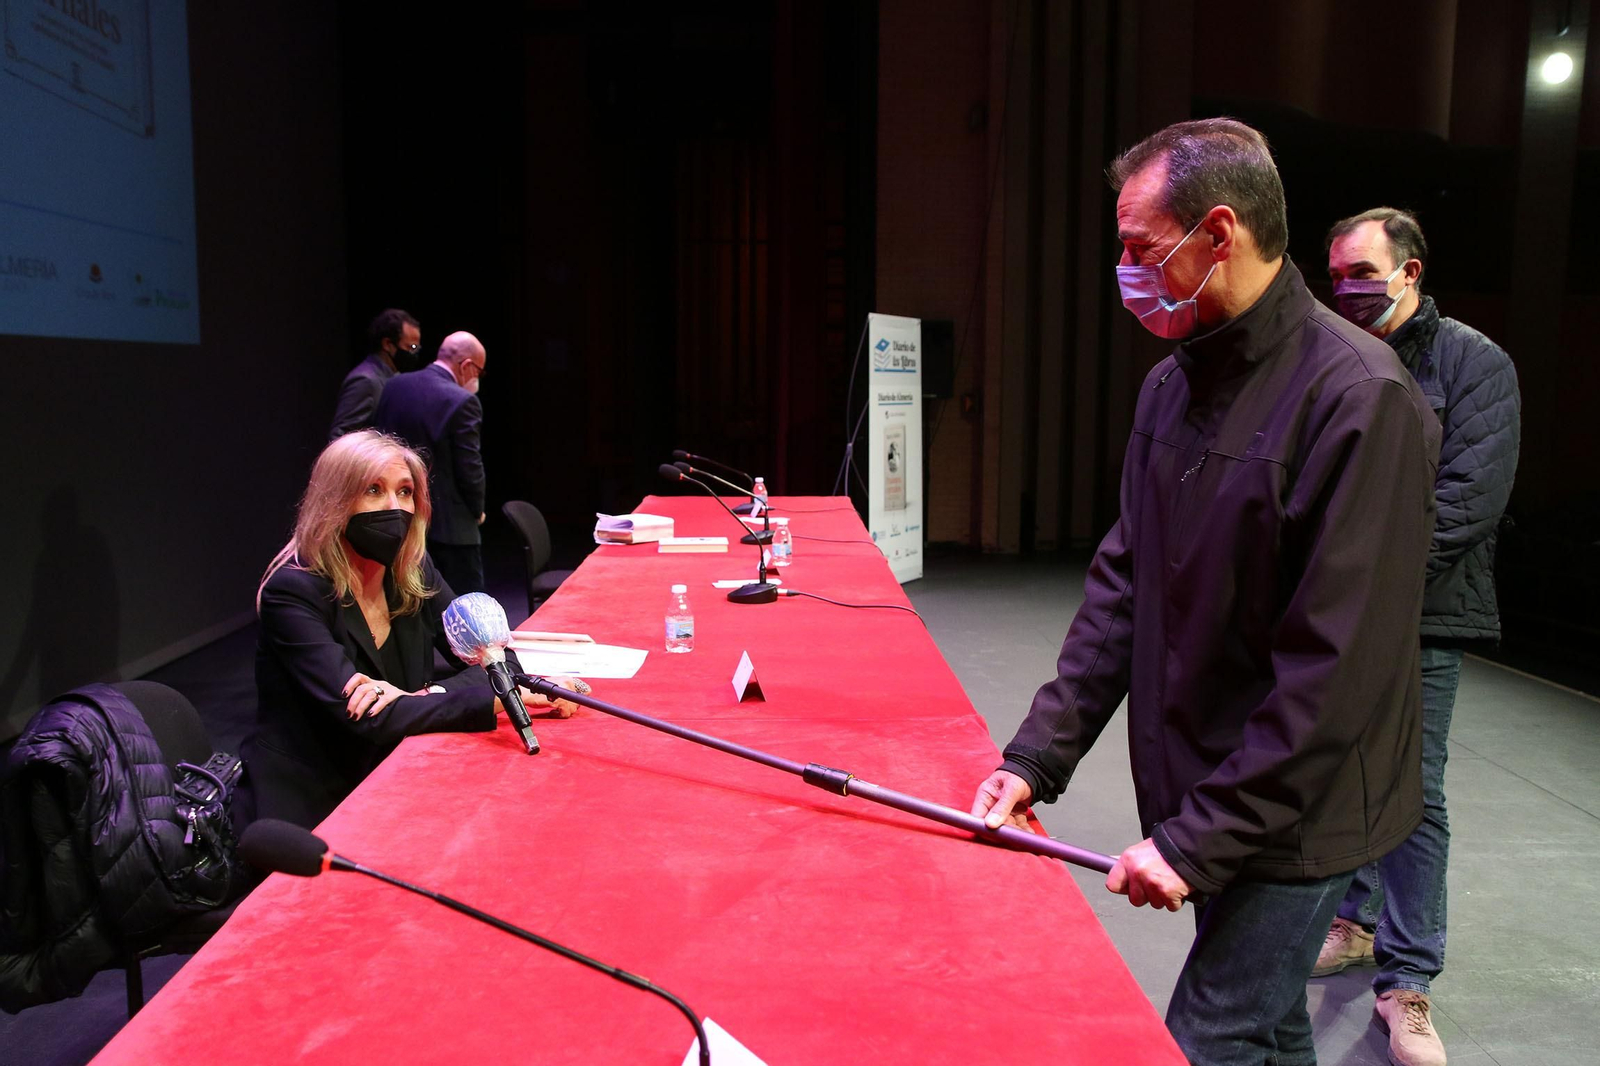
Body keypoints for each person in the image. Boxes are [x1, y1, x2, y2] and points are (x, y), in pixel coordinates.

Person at [968, 118, 1441, 1066]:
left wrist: (1198, 841)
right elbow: (1123, 585)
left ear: (1218, 233)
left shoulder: (1359, 398)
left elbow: (1334, 671)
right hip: (1206, 787)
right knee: (1273, 1028)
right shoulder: (1170, 386)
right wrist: (1037, 756)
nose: (1125, 270)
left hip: (1299, 815)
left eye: (1139, 248)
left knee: (1208, 1038)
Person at [1319, 207, 1521, 1066]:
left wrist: (1373, 582)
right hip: (1339, 608)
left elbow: (1471, 500)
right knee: (1340, 774)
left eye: (1363, 275)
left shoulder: (1475, 363)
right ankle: (1356, 921)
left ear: (1411, 272)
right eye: (1337, 277)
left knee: (1414, 792)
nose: (1347, 291)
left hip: (1426, 611)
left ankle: (1407, 981)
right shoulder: (1329, 353)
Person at [237, 430, 576, 831]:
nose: (394, 507)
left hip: (396, 771)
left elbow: (498, 661)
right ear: (334, 502)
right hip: (313, 800)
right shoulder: (293, 592)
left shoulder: (412, 571)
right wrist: (500, 698)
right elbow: (367, 719)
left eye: (405, 492)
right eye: (374, 490)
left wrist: (424, 696)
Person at [371, 331, 490, 595]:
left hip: (401, 519)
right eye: (479, 372)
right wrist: (477, 509)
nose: (477, 379)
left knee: (409, 603)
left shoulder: (394, 386)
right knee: (463, 607)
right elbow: (469, 467)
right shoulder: (463, 401)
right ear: (467, 365)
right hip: (451, 529)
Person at [329, 309, 422, 440]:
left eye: (417, 348)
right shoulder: (366, 380)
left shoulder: (394, 377)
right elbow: (340, 436)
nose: (414, 354)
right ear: (387, 344)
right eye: (411, 347)